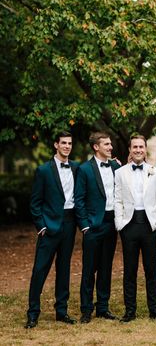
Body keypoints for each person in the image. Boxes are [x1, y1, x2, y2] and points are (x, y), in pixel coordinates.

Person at [25, 131, 78, 329]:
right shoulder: (43, 170)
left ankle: (61, 311)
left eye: (70, 143)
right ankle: (33, 313)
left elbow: (96, 170)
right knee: (40, 270)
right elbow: (35, 202)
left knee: (64, 269)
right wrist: (41, 227)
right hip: (49, 226)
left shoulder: (76, 168)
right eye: (63, 143)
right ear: (56, 145)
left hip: (70, 224)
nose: (67, 146)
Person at [114, 134, 156, 322]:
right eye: (134, 147)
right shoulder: (120, 173)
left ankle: (154, 310)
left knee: (151, 270)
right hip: (129, 226)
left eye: (141, 147)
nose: (138, 150)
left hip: (150, 226)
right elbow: (117, 199)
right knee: (130, 270)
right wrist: (120, 224)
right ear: (130, 149)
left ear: (145, 149)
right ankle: (130, 311)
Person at [75, 131, 120, 324]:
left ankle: (103, 307)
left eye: (110, 144)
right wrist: (84, 226)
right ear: (96, 147)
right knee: (89, 269)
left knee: (106, 267)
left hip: (112, 223)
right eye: (106, 144)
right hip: (93, 226)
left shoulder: (116, 167)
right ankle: (86, 309)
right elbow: (79, 200)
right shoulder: (84, 169)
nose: (110, 147)